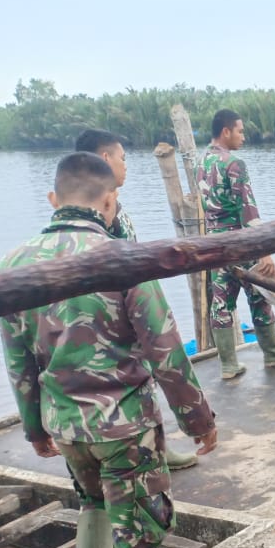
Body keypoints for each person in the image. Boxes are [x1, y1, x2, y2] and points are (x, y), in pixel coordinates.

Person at [0, 152, 217, 548]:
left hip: (65, 425)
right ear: (110, 201)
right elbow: (165, 348)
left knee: (92, 501)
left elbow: (17, 360)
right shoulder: (123, 258)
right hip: (124, 424)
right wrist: (197, 419)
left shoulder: (12, 264)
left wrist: (34, 427)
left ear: (54, 199)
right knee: (140, 523)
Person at [75, 128, 199, 470]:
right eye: (122, 158)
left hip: (115, 306)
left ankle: (151, 444)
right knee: (137, 374)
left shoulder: (99, 201)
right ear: (105, 159)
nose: (126, 166)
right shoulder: (102, 209)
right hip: (120, 310)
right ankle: (148, 448)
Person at [197, 108, 275, 379]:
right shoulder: (234, 164)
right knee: (259, 296)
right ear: (226, 131)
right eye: (240, 131)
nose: (243, 136)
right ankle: (273, 354)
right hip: (241, 243)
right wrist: (264, 251)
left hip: (215, 245)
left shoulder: (202, 162)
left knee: (221, 302)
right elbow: (248, 211)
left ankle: (228, 365)